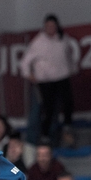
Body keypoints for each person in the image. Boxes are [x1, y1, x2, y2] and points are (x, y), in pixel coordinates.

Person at [19, 14, 79, 147]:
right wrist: (29, 75)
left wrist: (72, 69)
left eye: (53, 26)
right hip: (45, 81)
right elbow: (25, 62)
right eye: (48, 26)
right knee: (48, 109)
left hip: (62, 78)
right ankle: (45, 135)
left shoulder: (63, 39)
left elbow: (68, 56)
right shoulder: (38, 42)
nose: (51, 29)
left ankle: (66, 126)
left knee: (68, 103)